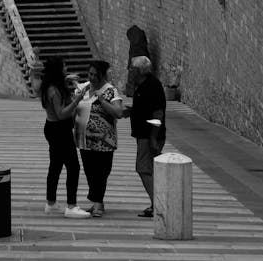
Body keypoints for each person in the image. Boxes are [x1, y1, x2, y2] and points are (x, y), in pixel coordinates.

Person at [37, 55, 91, 219]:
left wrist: (67, 78)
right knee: (73, 167)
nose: (66, 69)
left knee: (55, 166)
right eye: (64, 67)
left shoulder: (47, 85)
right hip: (59, 130)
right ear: (57, 70)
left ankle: (51, 203)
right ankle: (71, 206)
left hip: (52, 128)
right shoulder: (54, 90)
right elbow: (61, 114)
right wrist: (78, 99)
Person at [74, 60, 123, 217]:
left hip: (104, 141)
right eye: (90, 74)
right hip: (84, 139)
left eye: (96, 75)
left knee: (102, 172)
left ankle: (98, 203)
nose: (93, 77)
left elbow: (118, 112)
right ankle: (97, 202)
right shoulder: (84, 88)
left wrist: (102, 101)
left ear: (102, 75)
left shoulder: (110, 91)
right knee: (90, 171)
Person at [124, 55, 166, 218]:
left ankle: (158, 204)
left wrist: (153, 138)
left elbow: (158, 112)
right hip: (144, 135)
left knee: (143, 169)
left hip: (148, 136)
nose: (130, 71)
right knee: (148, 169)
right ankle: (158, 203)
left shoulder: (152, 86)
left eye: (132, 68)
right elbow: (145, 108)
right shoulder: (141, 85)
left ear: (140, 70)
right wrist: (131, 112)